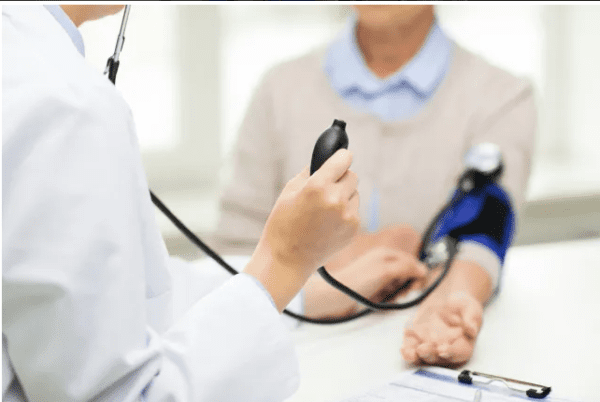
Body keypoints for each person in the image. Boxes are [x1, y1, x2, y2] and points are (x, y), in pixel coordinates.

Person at [2, 5, 362, 401]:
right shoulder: (64, 105)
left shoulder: (30, 68)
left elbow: (139, 296)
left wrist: (304, 291)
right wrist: (286, 262)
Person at [214, 4, 536, 367]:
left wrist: (454, 304)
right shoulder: (279, 90)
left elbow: (483, 231)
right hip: (293, 363)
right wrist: (344, 259)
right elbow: (232, 254)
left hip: (409, 367)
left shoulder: (504, 96)